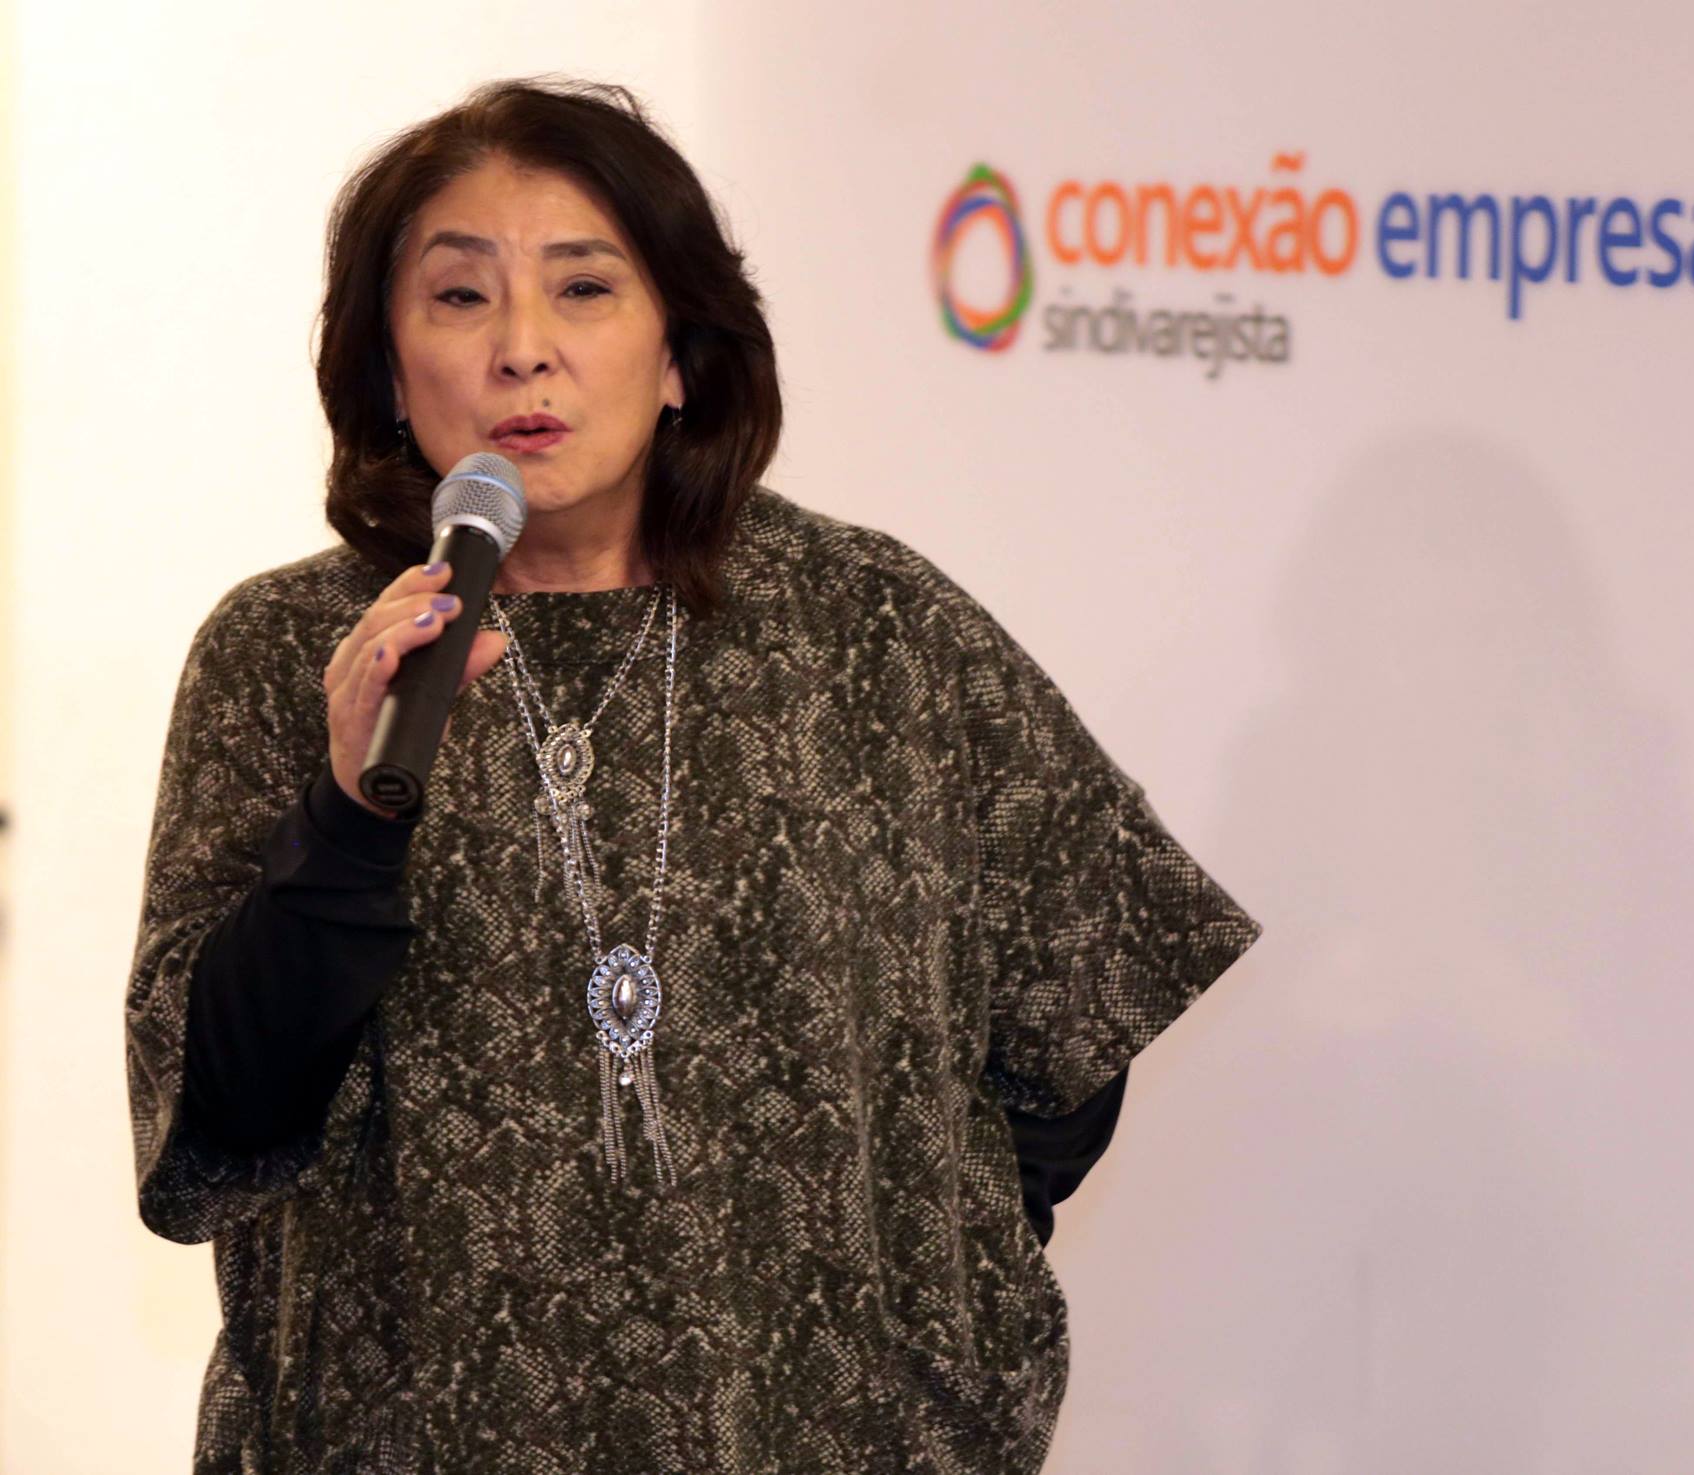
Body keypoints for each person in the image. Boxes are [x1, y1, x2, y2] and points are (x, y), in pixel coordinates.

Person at [123, 77, 1262, 1474]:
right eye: (461, 298)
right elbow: (220, 1123)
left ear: (679, 355)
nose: (523, 353)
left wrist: (919, 1302)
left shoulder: (875, 627)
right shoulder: (289, 651)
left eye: (585, 289)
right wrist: (349, 818)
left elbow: (1071, 1022)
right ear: (385, 369)